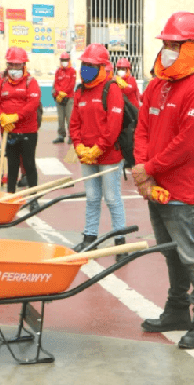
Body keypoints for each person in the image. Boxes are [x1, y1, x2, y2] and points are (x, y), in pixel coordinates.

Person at [132, 12, 194, 349]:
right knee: (172, 254)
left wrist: (149, 167)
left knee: (193, 256)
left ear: (191, 48)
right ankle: (177, 309)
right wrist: (143, 167)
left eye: (174, 44)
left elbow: (187, 143)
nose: (167, 49)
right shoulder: (157, 85)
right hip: (156, 186)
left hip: (184, 191)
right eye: (166, 43)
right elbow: (142, 129)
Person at [67, 44, 129, 257]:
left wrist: (98, 148)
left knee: (112, 198)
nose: (86, 69)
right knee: (92, 197)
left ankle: (120, 242)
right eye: (84, 64)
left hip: (109, 155)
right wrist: (79, 146)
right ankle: (89, 238)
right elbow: (74, 123)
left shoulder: (111, 89)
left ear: (102, 67)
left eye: (91, 65)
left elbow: (113, 126)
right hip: (87, 156)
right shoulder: (80, 90)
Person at [0, 47, 40, 195]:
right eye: (10, 64)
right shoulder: (1, 80)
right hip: (9, 131)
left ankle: (33, 197)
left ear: (24, 65)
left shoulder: (31, 82)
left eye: (16, 65)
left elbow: (33, 103)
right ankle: (10, 195)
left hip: (28, 131)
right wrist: (1, 117)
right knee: (12, 165)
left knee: (29, 164)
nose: (13, 68)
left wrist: (16, 116)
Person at [52, 52, 77, 144]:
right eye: (62, 60)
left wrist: (65, 93)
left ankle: (71, 136)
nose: (64, 62)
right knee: (61, 118)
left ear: (69, 60)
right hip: (59, 98)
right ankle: (61, 136)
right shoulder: (58, 71)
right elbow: (56, 83)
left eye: (66, 60)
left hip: (69, 98)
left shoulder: (72, 71)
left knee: (70, 118)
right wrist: (59, 93)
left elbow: (72, 84)